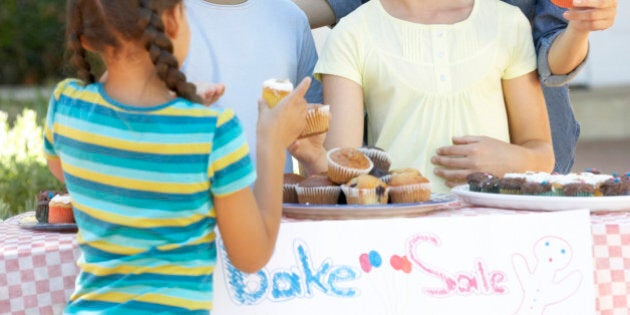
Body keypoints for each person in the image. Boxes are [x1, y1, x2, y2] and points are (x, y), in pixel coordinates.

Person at [44, 0, 310, 313]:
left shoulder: (66, 107)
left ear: (86, 38)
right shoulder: (212, 131)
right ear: (173, 20)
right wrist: (272, 141)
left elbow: (64, 170)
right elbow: (251, 256)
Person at [293, 0, 618, 176]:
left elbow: (541, 153)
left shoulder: (507, 23)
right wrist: (312, 158)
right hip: (397, 228)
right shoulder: (354, 32)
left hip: (502, 221)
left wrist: (512, 160)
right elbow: (340, 170)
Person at [181, 0, 323, 172]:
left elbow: (313, 147)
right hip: (188, 194)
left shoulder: (292, 18)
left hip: (274, 196)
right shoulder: (157, 18)